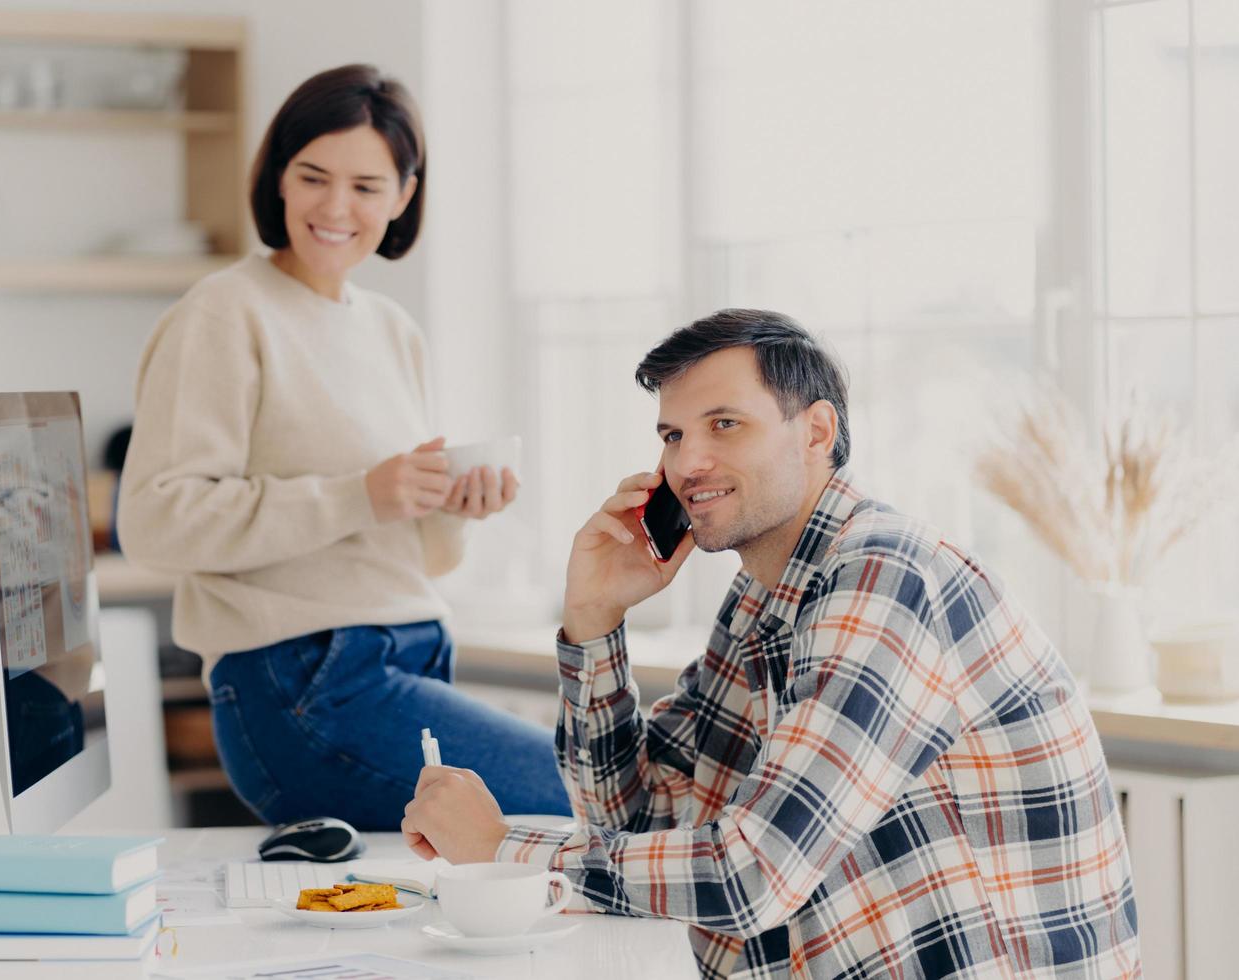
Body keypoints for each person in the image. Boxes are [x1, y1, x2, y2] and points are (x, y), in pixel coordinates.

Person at [401, 310, 1141, 978]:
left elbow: (749, 876)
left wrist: (501, 853)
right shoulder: (764, 592)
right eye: (673, 434)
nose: (687, 464)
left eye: (725, 424)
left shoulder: (881, 580)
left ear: (817, 432)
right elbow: (635, 822)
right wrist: (594, 621)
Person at [116, 64, 569, 830]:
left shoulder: (393, 330)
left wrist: (449, 507)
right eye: (313, 177)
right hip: (304, 686)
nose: (335, 207)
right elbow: (156, 522)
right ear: (279, 182)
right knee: (593, 799)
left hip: (409, 659)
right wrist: (361, 492)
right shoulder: (225, 314)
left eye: (365, 186)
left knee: (566, 822)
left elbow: (412, 559)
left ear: (403, 196)